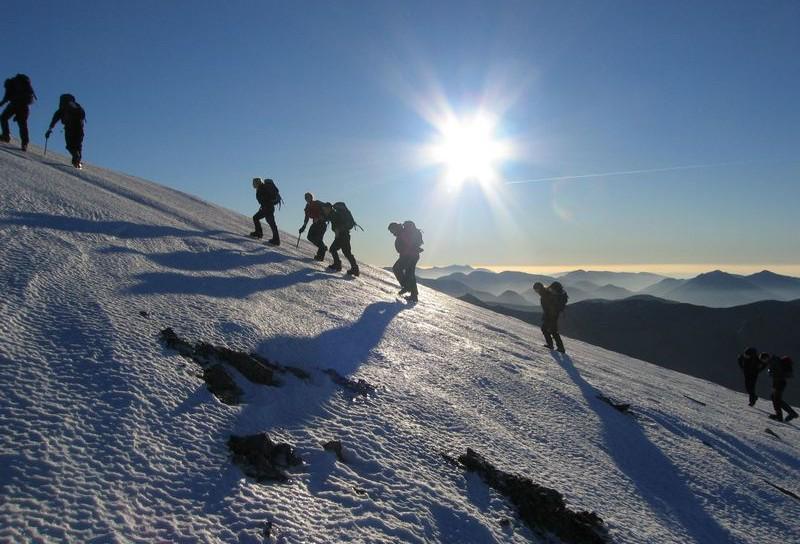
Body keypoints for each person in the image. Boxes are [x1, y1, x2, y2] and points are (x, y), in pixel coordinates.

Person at [46, 94, 86, 168]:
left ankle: (76, 158)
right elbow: (82, 116)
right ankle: (77, 162)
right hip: (80, 128)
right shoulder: (77, 106)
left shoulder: (62, 109)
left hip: (69, 128)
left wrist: (50, 129)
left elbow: (54, 120)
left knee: (70, 145)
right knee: (78, 145)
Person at [388, 220, 423, 302]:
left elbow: (408, 244)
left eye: (392, 230)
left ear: (395, 228)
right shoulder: (403, 232)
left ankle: (407, 287)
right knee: (410, 273)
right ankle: (414, 295)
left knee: (397, 268)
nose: (392, 233)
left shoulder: (402, 233)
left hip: (409, 256)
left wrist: (406, 252)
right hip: (413, 255)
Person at [0, 73, 36, 151]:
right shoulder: (24, 85)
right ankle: (24, 143)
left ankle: (6, 136)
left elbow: (6, 97)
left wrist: (1, 103)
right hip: (25, 105)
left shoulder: (9, 84)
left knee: (3, 117)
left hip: (15, 104)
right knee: (22, 124)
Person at [322, 202, 359, 276]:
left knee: (335, 250)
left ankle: (339, 265)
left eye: (325, 209)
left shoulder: (334, 214)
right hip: (343, 235)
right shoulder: (333, 214)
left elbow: (338, 223)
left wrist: (338, 229)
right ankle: (353, 268)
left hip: (342, 235)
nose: (324, 210)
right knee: (345, 252)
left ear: (329, 208)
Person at [533, 281, 567, 353]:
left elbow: (549, 306)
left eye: (536, 289)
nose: (535, 291)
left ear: (539, 288)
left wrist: (548, 316)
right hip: (553, 315)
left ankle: (557, 347)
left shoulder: (545, 294)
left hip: (552, 315)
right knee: (551, 330)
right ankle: (556, 346)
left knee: (549, 330)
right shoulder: (546, 292)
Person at [763, 353, 797, 423]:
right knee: (774, 397)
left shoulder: (773, 362)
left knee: (776, 399)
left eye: (763, 359)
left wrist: (770, 372)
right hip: (779, 382)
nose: (763, 361)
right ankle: (791, 413)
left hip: (779, 382)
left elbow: (777, 373)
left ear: (766, 358)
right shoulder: (774, 361)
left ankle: (780, 416)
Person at [249, 178, 281, 245]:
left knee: (269, 222)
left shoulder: (262, 188)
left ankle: (275, 239)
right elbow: (264, 199)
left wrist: (265, 205)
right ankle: (259, 233)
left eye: (254, 183)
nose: (253, 184)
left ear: (257, 183)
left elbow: (266, 198)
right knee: (259, 219)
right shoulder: (261, 188)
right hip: (267, 208)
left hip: (267, 208)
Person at [298, 192, 327, 260]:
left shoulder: (317, 203)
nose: (306, 199)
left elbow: (326, 208)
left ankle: (320, 256)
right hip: (315, 224)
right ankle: (323, 248)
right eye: (305, 197)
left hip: (322, 224)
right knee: (310, 237)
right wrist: (304, 226)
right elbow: (307, 217)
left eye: (308, 197)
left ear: (311, 197)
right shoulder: (307, 206)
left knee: (318, 239)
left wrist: (321, 217)